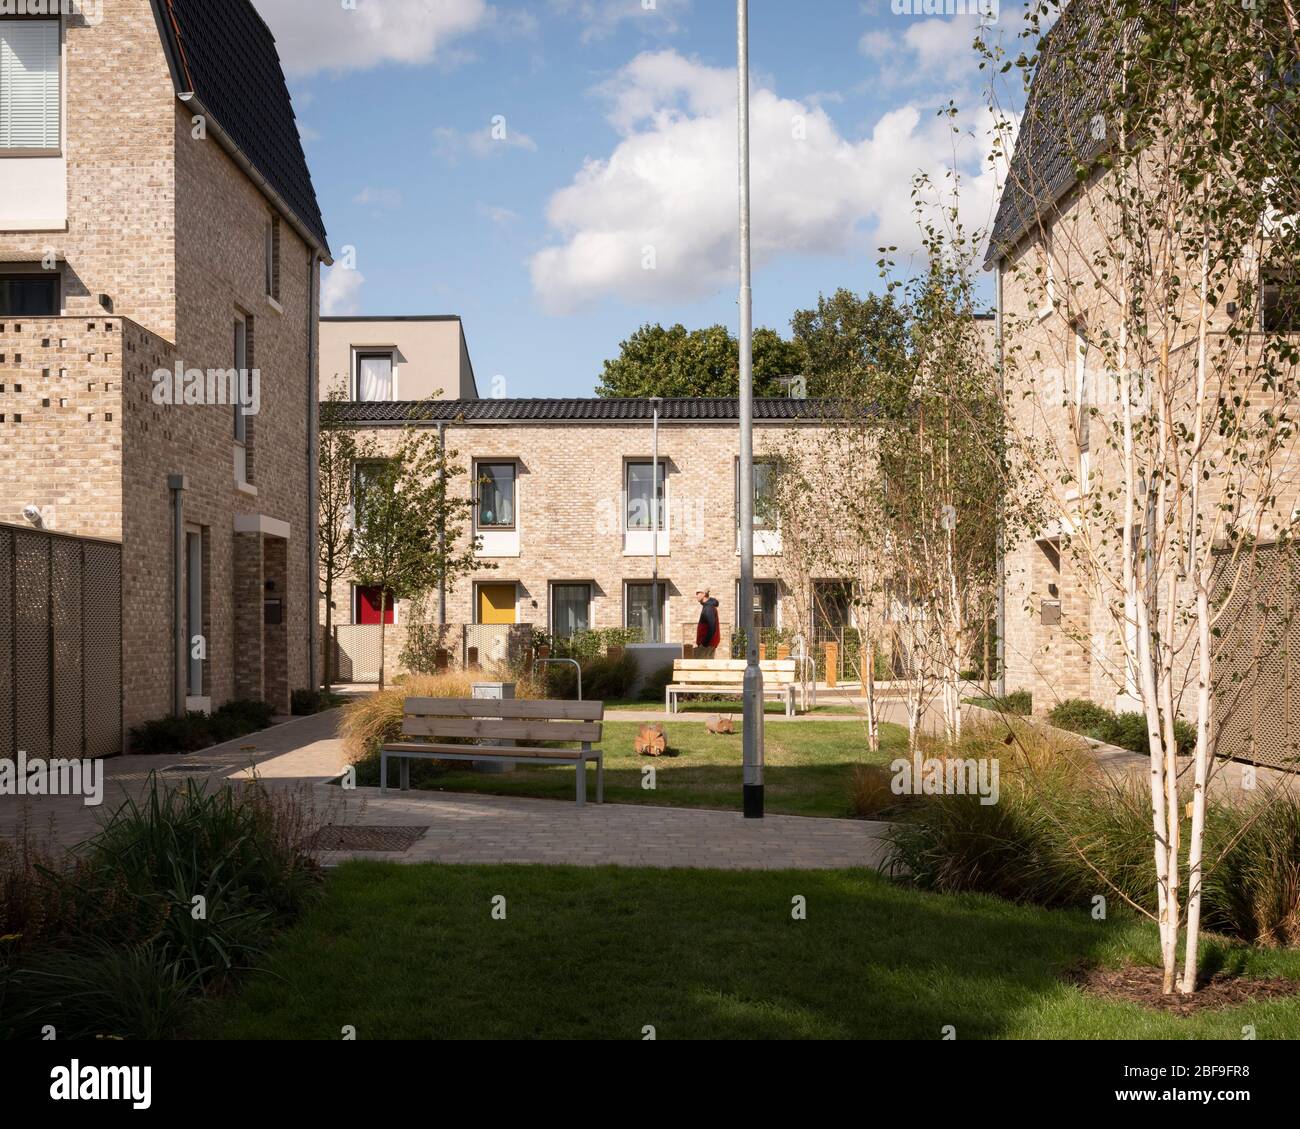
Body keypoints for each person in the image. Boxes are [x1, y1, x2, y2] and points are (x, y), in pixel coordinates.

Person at [695, 589, 721, 657]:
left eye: (698, 593)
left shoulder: (708, 608)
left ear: (704, 594)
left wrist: (704, 644)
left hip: (707, 646)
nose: (696, 595)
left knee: (702, 666)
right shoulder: (707, 606)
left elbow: (712, 627)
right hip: (708, 645)